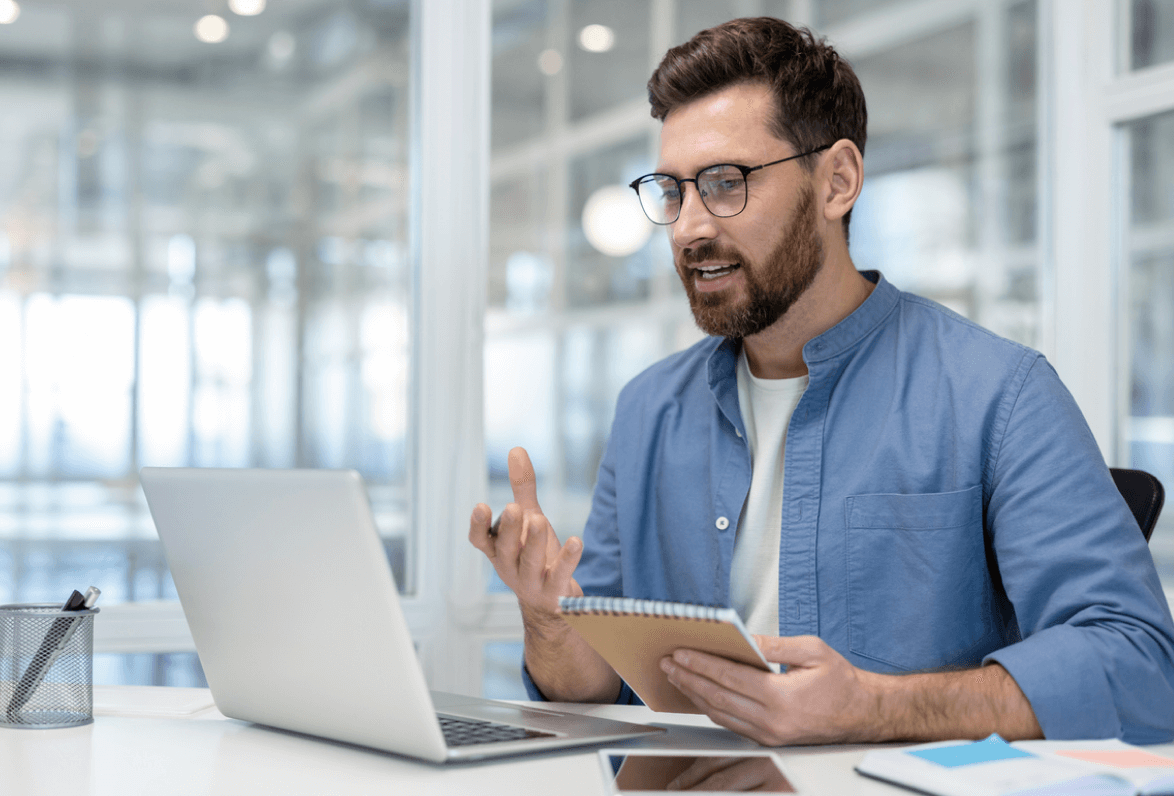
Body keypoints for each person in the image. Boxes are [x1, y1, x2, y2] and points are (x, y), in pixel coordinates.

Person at [468, 17, 1174, 745]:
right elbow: (605, 683)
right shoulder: (649, 409)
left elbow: (1142, 666)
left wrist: (874, 708)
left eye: (724, 183)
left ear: (837, 181)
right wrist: (550, 624)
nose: (686, 229)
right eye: (673, 191)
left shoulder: (1000, 393)